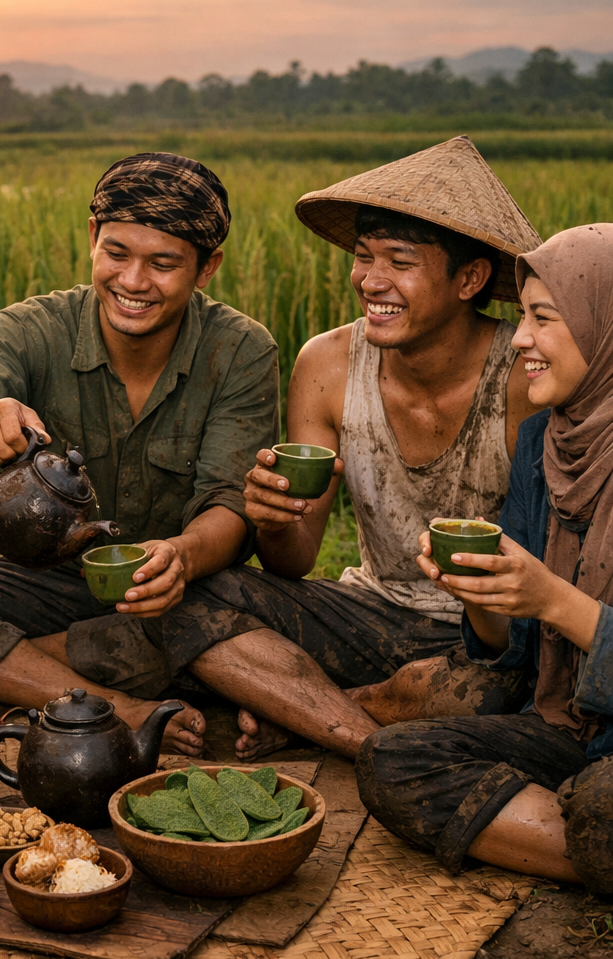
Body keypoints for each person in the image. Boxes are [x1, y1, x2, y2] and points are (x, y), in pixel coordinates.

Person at [147, 135, 544, 760]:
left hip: (492, 637)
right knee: (189, 595)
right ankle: (369, 722)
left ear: (469, 278)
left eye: (400, 262)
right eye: (364, 257)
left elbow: (543, 580)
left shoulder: (525, 375)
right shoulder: (328, 363)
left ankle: (313, 710)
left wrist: (490, 621)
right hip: (368, 611)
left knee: (492, 690)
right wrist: (274, 521)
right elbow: (295, 562)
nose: (371, 280)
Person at [0, 152, 279, 755]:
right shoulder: (32, 328)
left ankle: (37, 664)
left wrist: (180, 557)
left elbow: (231, 506)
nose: (134, 282)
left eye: (163, 264)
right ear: (92, 237)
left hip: (182, 590)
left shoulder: (241, 350)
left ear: (207, 267)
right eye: (116, 254)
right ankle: (118, 702)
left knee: (231, 611)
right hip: (54, 583)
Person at [356, 224, 613, 895]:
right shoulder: (543, 444)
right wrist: (484, 591)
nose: (521, 338)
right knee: (395, 759)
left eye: (544, 319)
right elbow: (514, 655)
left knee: (603, 804)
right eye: (523, 316)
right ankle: (593, 851)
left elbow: (554, 609)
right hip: (569, 723)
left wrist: (555, 599)